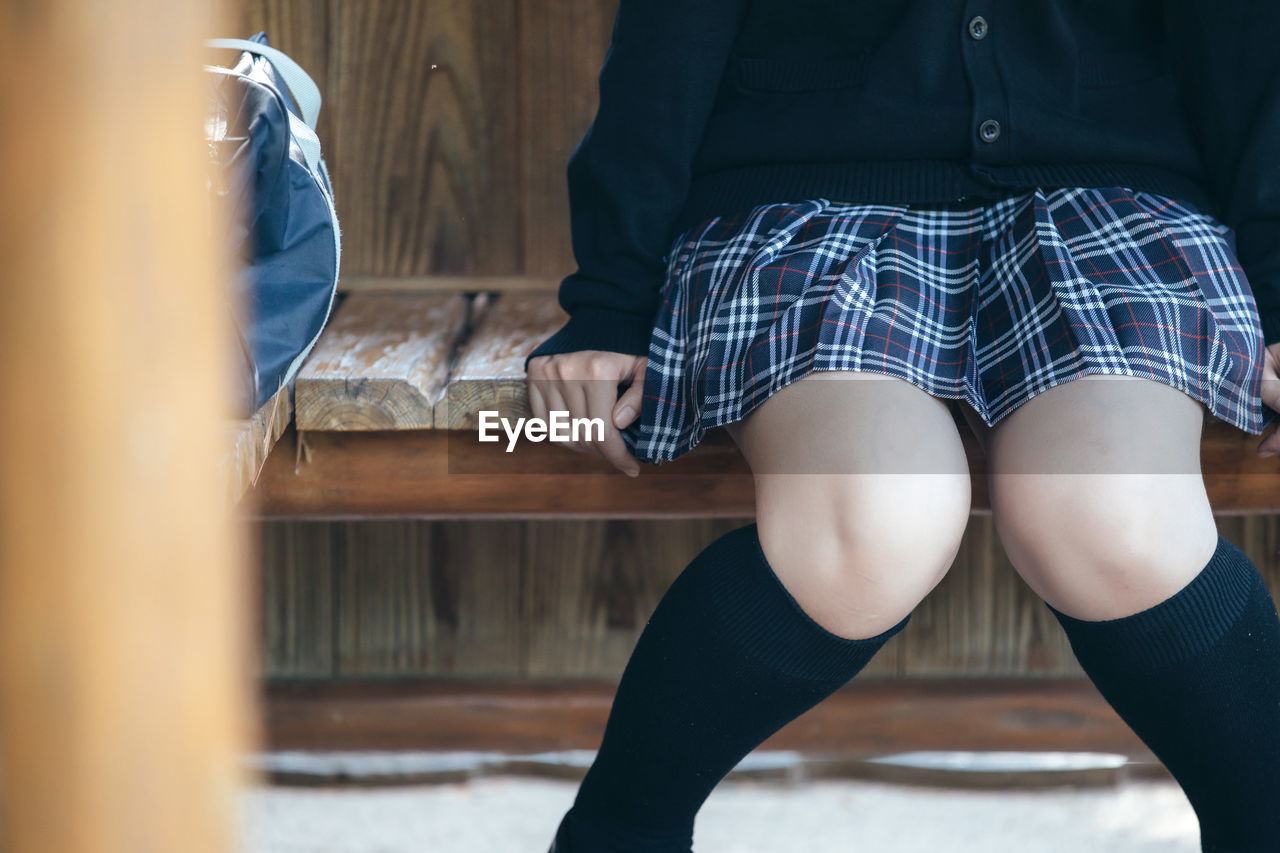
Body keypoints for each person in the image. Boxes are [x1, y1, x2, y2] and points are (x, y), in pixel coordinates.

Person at [524, 3, 1280, 851]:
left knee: (1119, 521)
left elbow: (1243, 36)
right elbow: (673, 32)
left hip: (1113, 202)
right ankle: (618, 831)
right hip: (806, 202)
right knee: (868, 524)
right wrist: (611, 301)